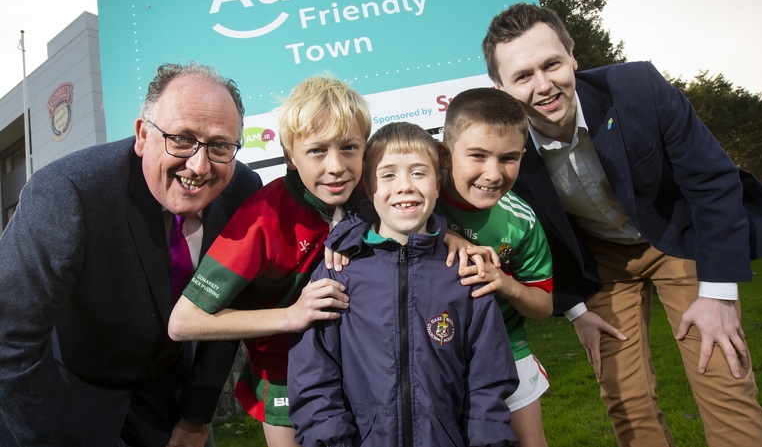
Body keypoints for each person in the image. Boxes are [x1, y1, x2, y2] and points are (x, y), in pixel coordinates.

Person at [481, 4, 762, 447]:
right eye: (523, 76)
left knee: (722, 376)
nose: (543, 85)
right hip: (601, 264)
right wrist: (577, 311)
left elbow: (711, 182)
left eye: (552, 64)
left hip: (678, 239)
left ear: (573, 56)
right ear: (501, 88)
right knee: (626, 399)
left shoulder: (638, 87)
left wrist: (718, 292)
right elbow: (534, 234)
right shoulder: (505, 148)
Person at [0, 62, 263, 447]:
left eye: (220, 145)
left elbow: (225, 314)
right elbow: (9, 338)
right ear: (142, 135)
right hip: (67, 395)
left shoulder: (242, 191)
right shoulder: (66, 193)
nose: (199, 165)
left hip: (169, 399)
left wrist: (196, 415)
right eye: (182, 139)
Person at [167, 75, 371, 447]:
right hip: (286, 377)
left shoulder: (373, 195)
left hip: (363, 366)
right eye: (317, 151)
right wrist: (291, 315)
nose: (336, 165)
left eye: (349, 148)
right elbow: (183, 322)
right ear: (290, 155)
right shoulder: (261, 219)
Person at [288, 121, 519, 447]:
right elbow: (314, 378)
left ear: (439, 185)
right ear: (369, 188)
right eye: (389, 175)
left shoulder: (465, 274)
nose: (405, 186)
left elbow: (489, 380)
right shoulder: (338, 272)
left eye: (419, 173)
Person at [435, 87, 553, 447]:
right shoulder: (420, 196)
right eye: (477, 155)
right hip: (436, 353)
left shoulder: (522, 221)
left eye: (508, 158)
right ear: (444, 154)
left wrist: (507, 284)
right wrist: (444, 233)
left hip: (507, 348)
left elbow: (544, 307)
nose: (493, 173)